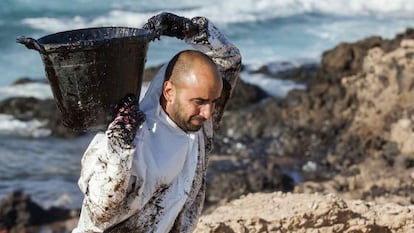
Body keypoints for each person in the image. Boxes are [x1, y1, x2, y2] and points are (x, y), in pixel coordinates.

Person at [72, 12, 241, 233]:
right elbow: (100, 213)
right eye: (199, 102)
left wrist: (188, 29)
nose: (209, 113)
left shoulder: (198, 127)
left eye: (213, 101)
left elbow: (230, 60)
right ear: (169, 91)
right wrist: (119, 146)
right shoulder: (131, 142)